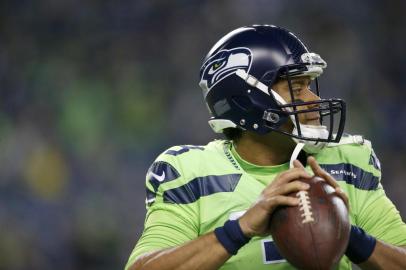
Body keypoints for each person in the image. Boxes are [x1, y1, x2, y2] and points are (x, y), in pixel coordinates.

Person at [125, 25, 406, 270]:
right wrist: (240, 229)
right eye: (296, 88)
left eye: (310, 85)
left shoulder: (348, 161)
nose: (313, 99)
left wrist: (348, 234)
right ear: (247, 100)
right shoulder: (190, 173)